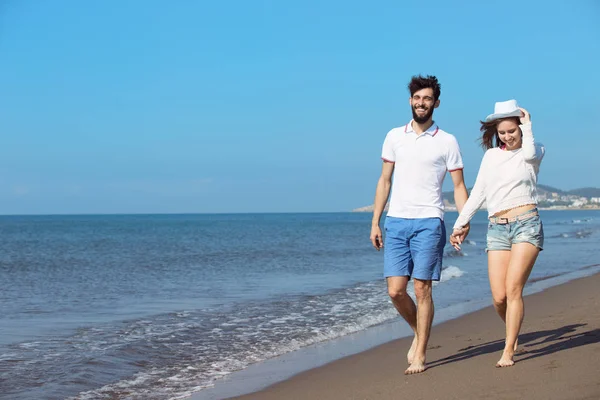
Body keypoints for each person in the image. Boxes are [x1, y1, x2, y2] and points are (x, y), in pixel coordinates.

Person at [370, 75, 469, 375]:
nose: (421, 103)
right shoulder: (394, 136)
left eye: (427, 99)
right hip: (396, 221)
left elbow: (459, 185)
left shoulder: (447, 141)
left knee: (422, 289)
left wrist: (462, 222)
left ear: (436, 103)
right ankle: (419, 331)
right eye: (417, 98)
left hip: (430, 221)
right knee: (396, 291)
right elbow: (384, 180)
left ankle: (421, 353)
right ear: (410, 101)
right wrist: (375, 221)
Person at [450, 99, 545, 368]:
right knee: (499, 297)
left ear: (520, 127)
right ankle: (513, 331)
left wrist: (528, 126)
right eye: (502, 132)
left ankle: (508, 349)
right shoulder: (491, 156)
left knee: (514, 289)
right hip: (497, 228)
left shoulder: (534, 149)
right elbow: (479, 192)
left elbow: (529, 155)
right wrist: (460, 223)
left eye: (512, 130)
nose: (507, 136)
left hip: (526, 223)